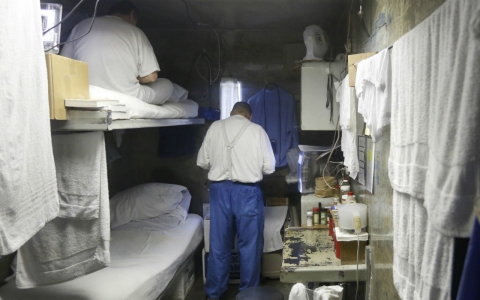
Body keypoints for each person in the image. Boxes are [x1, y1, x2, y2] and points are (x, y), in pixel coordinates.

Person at [197, 102, 276, 300]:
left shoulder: (215, 127)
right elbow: (269, 168)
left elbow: (202, 162)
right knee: (249, 246)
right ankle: (248, 293)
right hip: (247, 192)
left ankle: (214, 294)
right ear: (249, 116)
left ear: (231, 114)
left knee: (219, 245)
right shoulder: (257, 131)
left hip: (218, 191)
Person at [61, 0, 174, 105]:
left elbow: (63, 63)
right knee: (167, 85)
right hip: (126, 95)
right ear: (132, 14)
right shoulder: (136, 32)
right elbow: (151, 77)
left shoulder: (82, 25)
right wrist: (131, 75)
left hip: (86, 93)